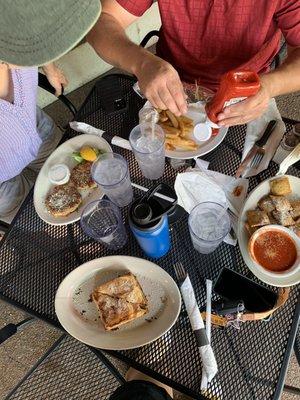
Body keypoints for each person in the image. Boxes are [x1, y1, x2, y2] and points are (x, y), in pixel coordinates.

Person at [87, 0, 300, 126]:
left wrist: (269, 87)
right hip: (170, 82)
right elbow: (100, 21)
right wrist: (142, 63)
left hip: (245, 91)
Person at [0, 0, 101, 223]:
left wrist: (48, 64)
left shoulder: (17, 27)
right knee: (38, 220)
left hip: (34, 126)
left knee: (75, 182)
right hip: (2, 179)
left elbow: (36, 28)